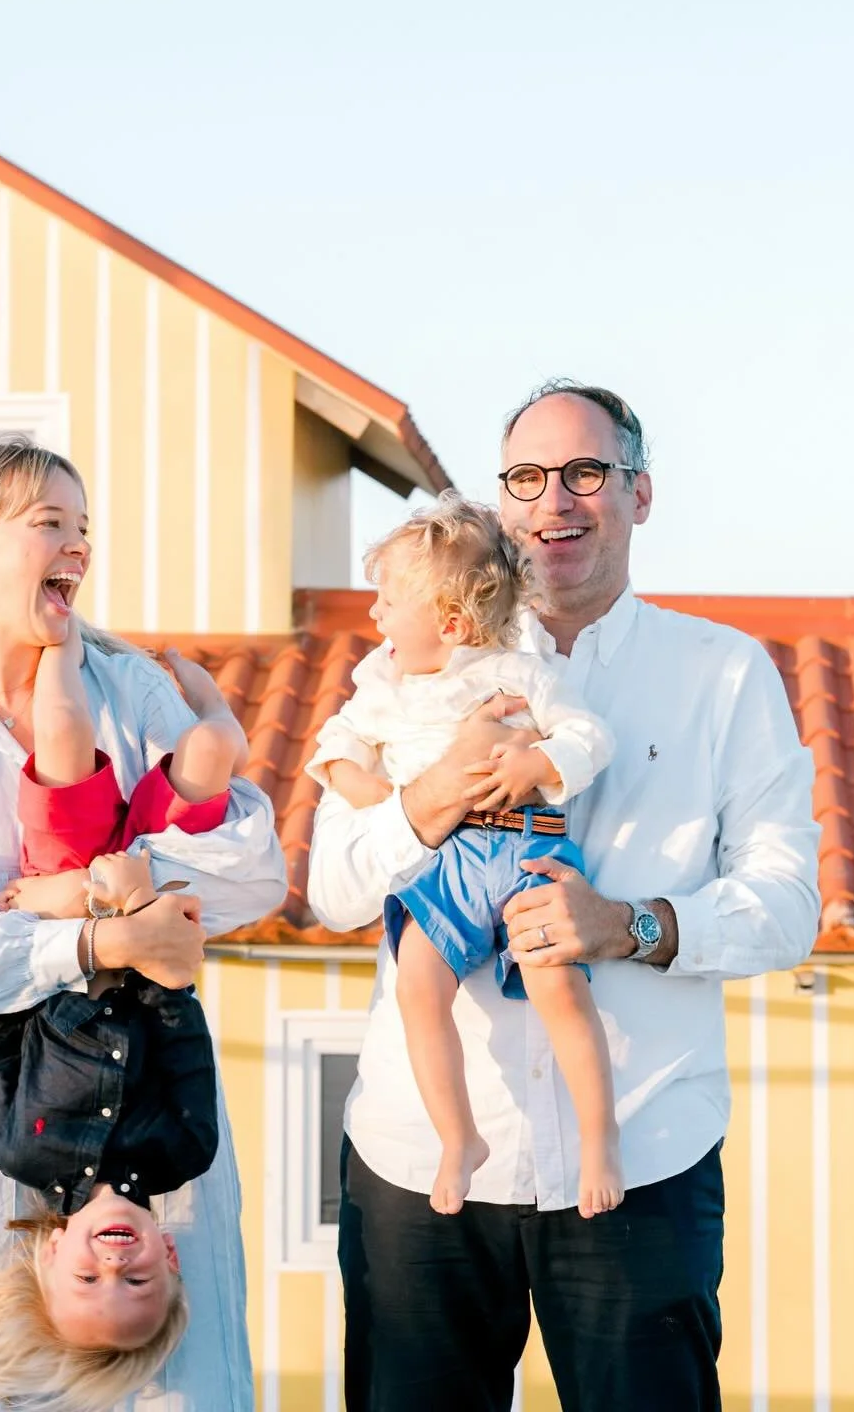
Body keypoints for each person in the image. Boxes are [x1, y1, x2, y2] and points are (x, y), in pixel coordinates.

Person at [309, 382, 820, 1412]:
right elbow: (333, 893)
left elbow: (788, 901)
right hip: (422, 1170)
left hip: (641, 1154)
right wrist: (432, 794)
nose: (555, 501)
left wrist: (634, 926)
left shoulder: (724, 674)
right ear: (500, 503)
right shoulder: (404, 671)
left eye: (586, 472)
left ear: (640, 493)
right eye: (527, 478)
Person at [0, 437, 288, 1412]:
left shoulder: (129, 686)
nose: (78, 545)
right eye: (49, 524)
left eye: (83, 528)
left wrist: (105, 883)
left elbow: (252, 871)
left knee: (175, 1375)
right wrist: (108, 935)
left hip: (154, 1090)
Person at [0, 638, 248, 1409]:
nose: (115, 1267)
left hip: (62, 897)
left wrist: (38, 913)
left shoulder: (17, 1150)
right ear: (169, 1258)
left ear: (51, 1258)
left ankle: (61, 641)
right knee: (213, 749)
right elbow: (181, 1020)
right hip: (147, 900)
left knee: (64, 740)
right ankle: (207, 699)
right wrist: (140, 909)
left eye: (88, 1279)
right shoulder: (185, 1150)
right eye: (137, 1283)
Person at [306, 493, 620, 1219]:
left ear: (449, 623)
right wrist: (388, 796)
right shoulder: (382, 686)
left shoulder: (518, 674)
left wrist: (540, 763)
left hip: (526, 848)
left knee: (558, 986)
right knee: (418, 984)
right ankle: (458, 1138)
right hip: (445, 862)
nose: (375, 615)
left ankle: (599, 1136)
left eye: (389, 603)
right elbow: (335, 751)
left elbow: (590, 737)